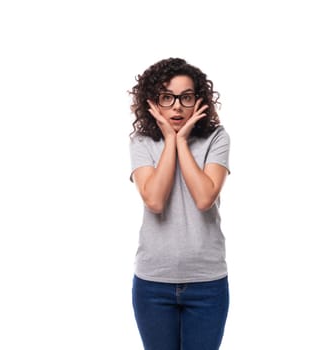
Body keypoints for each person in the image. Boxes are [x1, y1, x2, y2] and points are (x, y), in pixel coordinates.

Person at [128, 57, 231, 350]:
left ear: (199, 100)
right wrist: (169, 141)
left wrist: (181, 141)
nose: (176, 106)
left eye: (186, 97)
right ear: (154, 102)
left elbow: (204, 197)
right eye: (167, 97)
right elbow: (155, 200)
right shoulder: (142, 141)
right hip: (153, 282)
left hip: (207, 282)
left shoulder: (216, 138)